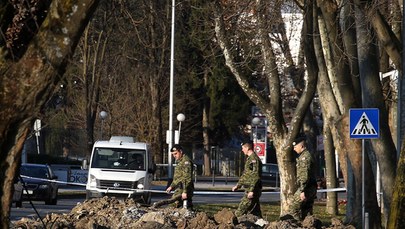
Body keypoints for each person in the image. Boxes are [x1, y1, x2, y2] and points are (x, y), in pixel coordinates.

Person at [152, 144, 194, 209]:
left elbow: (187, 178)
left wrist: (185, 191)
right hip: (179, 188)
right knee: (183, 207)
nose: (174, 156)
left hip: (183, 188)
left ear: (181, 151)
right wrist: (171, 186)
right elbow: (178, 177)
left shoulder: (186, 161)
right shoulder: (180, 161)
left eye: (176, 153)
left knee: (172, 207)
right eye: (173, 154)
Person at [288, 133, 317, 220]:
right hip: (311, 187)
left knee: (293, 208)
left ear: (301, 146)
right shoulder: (307, 155)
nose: (294, 149)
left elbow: (304, 175)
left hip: (306, 188)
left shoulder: (304, 158)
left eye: (295, 147)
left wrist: (302, 190)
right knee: (306, 211)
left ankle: (297, 226)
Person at [232, 141, 262, 217]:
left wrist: (251, 190)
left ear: (247, 148)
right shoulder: (249, 159)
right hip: (249, 189)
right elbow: (246, 174)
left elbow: (256, 176)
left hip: (252, 190)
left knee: (240, 210)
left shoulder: (254, 160)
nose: (242, 150)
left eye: (243, 148)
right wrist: (238, 185)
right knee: (256, 213)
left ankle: (231, 223)